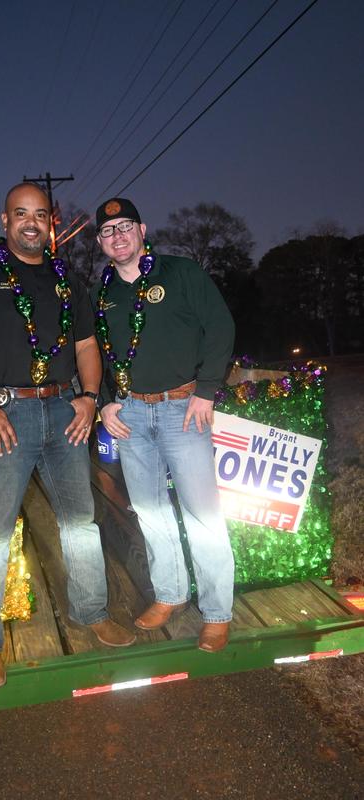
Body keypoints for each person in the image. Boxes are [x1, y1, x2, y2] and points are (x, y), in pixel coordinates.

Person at [0, 183, 135, 689]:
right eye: (20, 214)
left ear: (52, 222)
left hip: (65, 410)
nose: (31, 222)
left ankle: (91, 613)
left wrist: (90, 396)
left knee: (80, 523)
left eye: (40, 214)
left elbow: (88, 343)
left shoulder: (69, 279)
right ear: (4, 221)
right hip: (6, 417)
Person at [91, 197, 235, 653]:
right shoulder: (103, 293)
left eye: (125, 226)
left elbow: (221, 327)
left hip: (183, 408)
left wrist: (207, 390)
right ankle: (170, 594)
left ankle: (217, 612)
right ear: (100, 242)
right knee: (152, 513)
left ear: (142, 229)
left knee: (203, 516)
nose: (118, 236)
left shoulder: (181, 273)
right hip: (130, 414)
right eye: (109, 231)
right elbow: (99, 352)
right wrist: (107, 403)